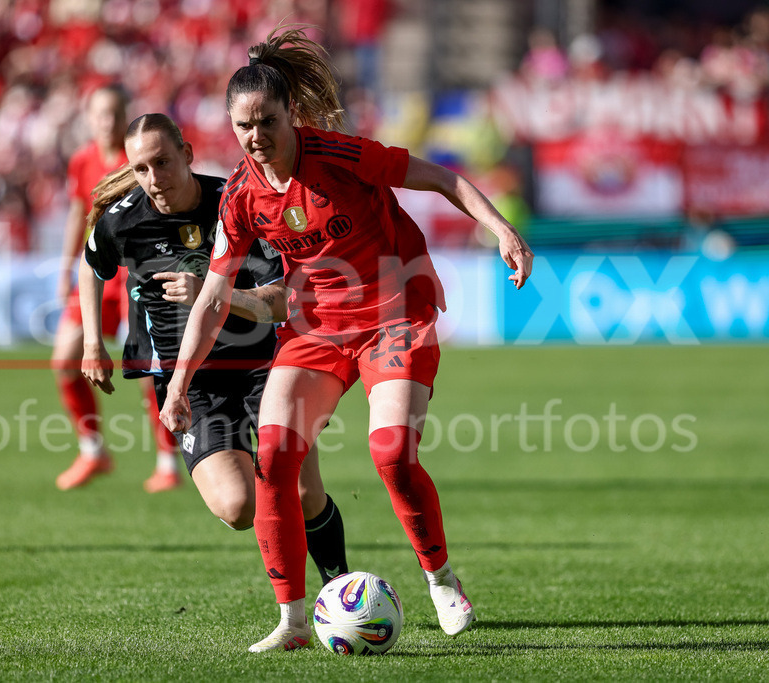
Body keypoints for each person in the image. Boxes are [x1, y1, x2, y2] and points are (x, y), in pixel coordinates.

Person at [159, 27, 534, 653]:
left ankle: (440, 578)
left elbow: (441, 177)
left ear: (290, 115)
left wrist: (501, 231)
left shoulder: (339, 155)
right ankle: (293, 621)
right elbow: (213, 297)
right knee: (274, 455)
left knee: (390, 454)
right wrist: (177, 385)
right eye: (243, 126)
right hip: (316, 329)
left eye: (267, 121)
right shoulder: (241, 198)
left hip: (394, 315)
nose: (256, 137)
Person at [79, 112, 349, 588]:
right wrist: (90, 340)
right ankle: (280, 525)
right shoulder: (122, 220)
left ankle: (339, 589)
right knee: (239, 506)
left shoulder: (241, 203)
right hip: (191, 383)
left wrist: (214, 292)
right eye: (141, 168)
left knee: (304, 490)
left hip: (266, 366)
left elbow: (281, 299)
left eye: (163, 162)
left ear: (187, 154)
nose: (153, 179)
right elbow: (92, 264)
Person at [52, 85, 181, 492]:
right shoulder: (82, 160)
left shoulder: (138, 161)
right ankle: (93, 451)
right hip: (95, 272)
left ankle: (167, 462)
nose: (107, 121)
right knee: (65, 361)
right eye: (100, 114)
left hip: (132, 275)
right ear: (88, 118)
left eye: (114, 113)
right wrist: (66, 265)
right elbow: (78, 213)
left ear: (125, 114)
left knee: (147, 371)